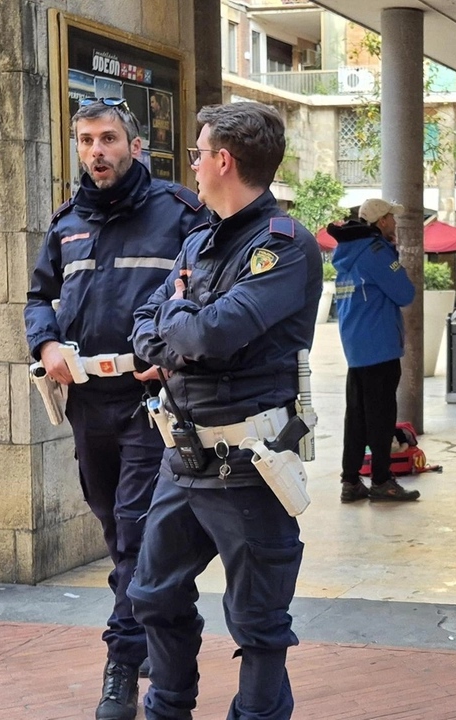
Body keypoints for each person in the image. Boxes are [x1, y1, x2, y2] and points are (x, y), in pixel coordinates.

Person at [127, 101, 322, 720]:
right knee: (153, 595)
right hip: (181, 457)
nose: (192, 165)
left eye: (197, 153)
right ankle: (169, 708)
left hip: (250, 465)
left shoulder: (284, 248)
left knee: (259, 625)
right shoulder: (200, 241)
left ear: (223, 160)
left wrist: (179, 323)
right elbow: (143, 329)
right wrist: (179, 328)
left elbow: (210, 335)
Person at [24, 98, 204, 720]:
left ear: (134, 144)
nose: (96, 152)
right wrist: (44, 342)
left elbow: (207, 289)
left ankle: (122, 665)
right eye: (84, 141)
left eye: (107, 139)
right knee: (114, 527)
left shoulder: (180, 212)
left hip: (151, 400)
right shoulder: (67, 221)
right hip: (86, 401)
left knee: (131, 531)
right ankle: (163, 619)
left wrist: (174, 348)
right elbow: (38, 296)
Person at [327, 198, 420, 503]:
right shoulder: (376, 252)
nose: (395, 222)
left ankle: (351, 481)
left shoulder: (346, 254)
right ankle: (381, 480)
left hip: (356, 347)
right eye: (392, 217)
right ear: (381, 222)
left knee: (357, 416)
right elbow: (405, 293)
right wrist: (394, 254)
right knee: (381, 416)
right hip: (379, 346)